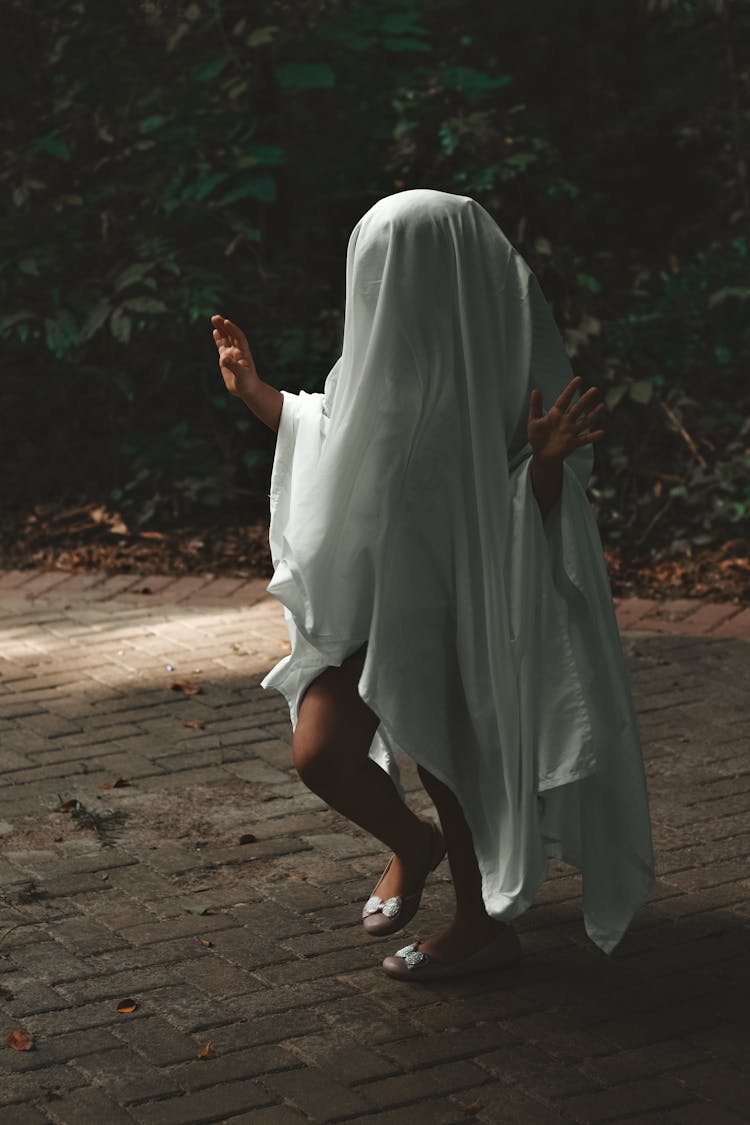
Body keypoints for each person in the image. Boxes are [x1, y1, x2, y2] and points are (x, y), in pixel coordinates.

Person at [210, 188, 655, 982]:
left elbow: (534, 513)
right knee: (320, 753)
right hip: (371, 606)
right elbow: (325, 434)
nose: (381, 291)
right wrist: (256, 393)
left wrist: (545, 463)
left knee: (448, 760)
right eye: (373, 271)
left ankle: (479, 924)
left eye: (395, 271)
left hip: (463, 610)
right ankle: (413, 845)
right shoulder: (378, 362)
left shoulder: (503, 369)